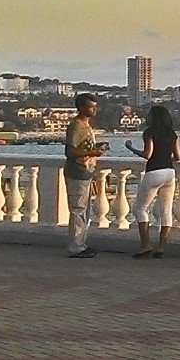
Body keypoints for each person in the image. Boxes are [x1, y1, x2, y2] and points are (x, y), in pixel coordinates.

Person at [130, 104, 180, 258]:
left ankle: (145, 245)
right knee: (166, 211)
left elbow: (148, 154)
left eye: (149, 115)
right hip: (169, 172)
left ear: (154, 118)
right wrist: (165, 156)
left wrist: (131, 149)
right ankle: (161, 247)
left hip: (154, 171)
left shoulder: (149, 132)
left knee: (140, 209)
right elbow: (178, 157)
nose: (147, 117)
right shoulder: (172, 134)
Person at [62, 93, 105, 258]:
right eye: (90, 107)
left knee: (85, 210)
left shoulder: (87, 126)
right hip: (77, 171)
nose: (94, 110)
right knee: (78, 210)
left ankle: (81, 243)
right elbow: (70, 151)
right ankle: (76, 246)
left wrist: (95, 148)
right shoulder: (76, 126)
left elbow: (83, 147)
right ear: (81, 107)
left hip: (86, 171)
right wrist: (93, 152)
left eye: (95, 107)